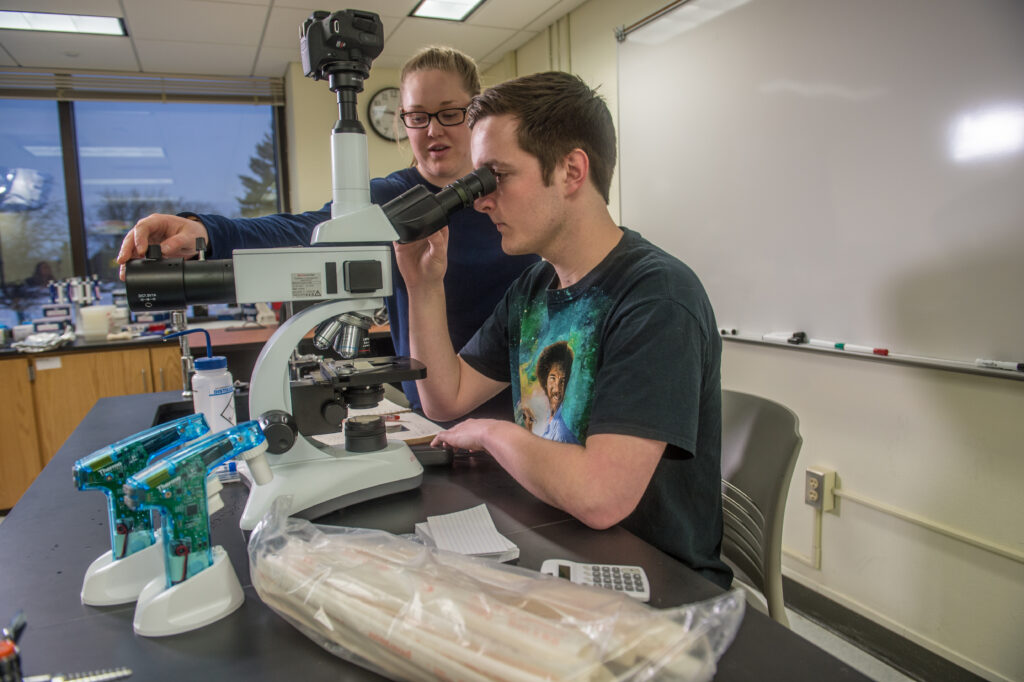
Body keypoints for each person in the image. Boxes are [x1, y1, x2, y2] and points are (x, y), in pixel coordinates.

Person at [395, 71, 732, 588]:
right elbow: (445, 398)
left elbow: (602, 496)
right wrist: (423, 287)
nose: (482, 200)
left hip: (652, 579)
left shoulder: (656, 297)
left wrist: (491, 431)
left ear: (572, 170)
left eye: (496, 177)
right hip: (557, 538)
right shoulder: (536, 285)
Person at [115, 46, 537, 410]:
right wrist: (205, 231)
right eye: (416, 116)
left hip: (527, 407)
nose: (432, 130)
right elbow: (304, 229)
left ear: (475, 112)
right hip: (435, 412)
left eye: (449, 113)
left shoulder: (513, 203)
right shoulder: (392, 201)